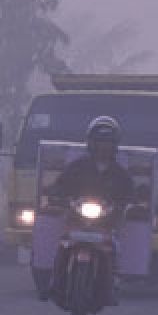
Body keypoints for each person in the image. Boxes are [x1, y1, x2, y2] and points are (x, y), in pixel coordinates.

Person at [44, 115, 136, 304]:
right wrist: (55, 193)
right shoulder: (77, 167)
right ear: (91, 143)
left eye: (108, 142)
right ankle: (54, 283)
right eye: (100, 142)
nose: (104, 147)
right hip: (76, 220)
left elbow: (130, 193)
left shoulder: (120, 174)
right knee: (63, 245)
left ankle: (112, 284)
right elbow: (60, 185)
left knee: (114, 247)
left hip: (106, 223)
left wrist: (129, 203)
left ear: (115, 145)